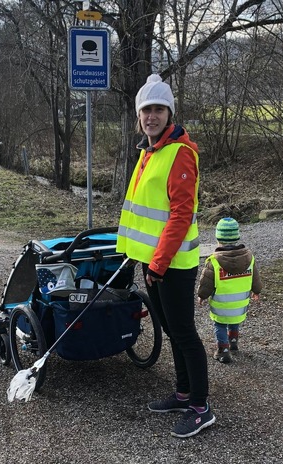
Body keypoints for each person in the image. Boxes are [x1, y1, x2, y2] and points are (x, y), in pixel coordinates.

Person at [116, 74, 214, 438]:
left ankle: (201, 407)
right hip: (153, 261)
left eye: (158, 109)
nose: (151, 116)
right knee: (172, 330)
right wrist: (138, 255)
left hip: (173, 264)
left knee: (184, 332)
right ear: (139, 116)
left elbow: (180, 214)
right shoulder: (149, 151)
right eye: (146, 110)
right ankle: (183, 393)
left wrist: (158, 264)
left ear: (169, 114)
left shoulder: (180, 153)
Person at [197, 217, 262, 364]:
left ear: (218, 238)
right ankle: (233, 341)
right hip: (240, 306)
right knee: (234, 321)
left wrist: (202, 296)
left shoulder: (214, 261)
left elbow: (206, 283)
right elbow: (255, 278)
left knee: (220, 325)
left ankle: (223, 351)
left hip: (221, 306)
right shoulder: (249, 259)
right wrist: (256, 291)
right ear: (237, 237)